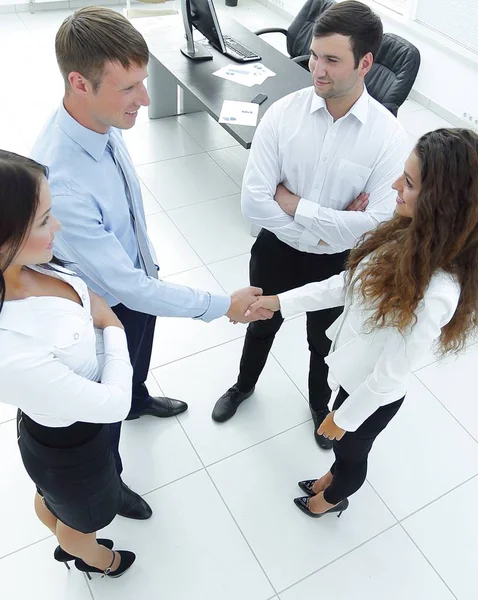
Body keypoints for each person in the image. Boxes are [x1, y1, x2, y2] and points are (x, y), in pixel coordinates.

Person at [30, 7, 271, 520]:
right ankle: (111, 480)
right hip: (106, 307)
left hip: (137, 283)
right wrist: (219, 305)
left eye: (143, 83)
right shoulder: (64, 179)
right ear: (79, 83)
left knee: (137, 363)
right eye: (130, 88)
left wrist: (150, 264)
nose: (144, 99)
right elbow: (127, 289)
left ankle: (137, 396)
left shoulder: (100, 119)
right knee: (107, 407)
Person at [247, 128, 478, 517]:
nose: (394, 186)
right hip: (355, 377)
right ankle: (330, 479)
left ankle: (330, 501)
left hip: (372, 396)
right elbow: (345, 286)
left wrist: (345, 416)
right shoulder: (407, 235)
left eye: (408, 182)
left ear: (442, 202)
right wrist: (278, 301)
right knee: (341, 446)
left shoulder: (437, 291)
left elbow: (390, 375)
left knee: (351, 453)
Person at [211, 0, 409, 450]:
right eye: (315, 56)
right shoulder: (283, 114)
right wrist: (334, 222)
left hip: (338, 266)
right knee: (260, 321)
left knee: (324, 341)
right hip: (276, 252)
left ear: (365, 63)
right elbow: (253, 204)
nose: (316, 69)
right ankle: (243, 385)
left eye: (331, 60)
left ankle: (320, 403)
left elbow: (375, 228)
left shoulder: (388, 137)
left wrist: (295, 205)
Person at [0, 150, 136, 577]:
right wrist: (114, 327)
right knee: (85, 521)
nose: (56, 226)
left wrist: (93, 306)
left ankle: (68, 532)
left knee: (55, 500)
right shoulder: (11, 347)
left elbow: (84, 298)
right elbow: (115, 404)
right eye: (42, 220)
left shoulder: (26, 266)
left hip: (59, 429)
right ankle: (99, 560)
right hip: (68, 446)